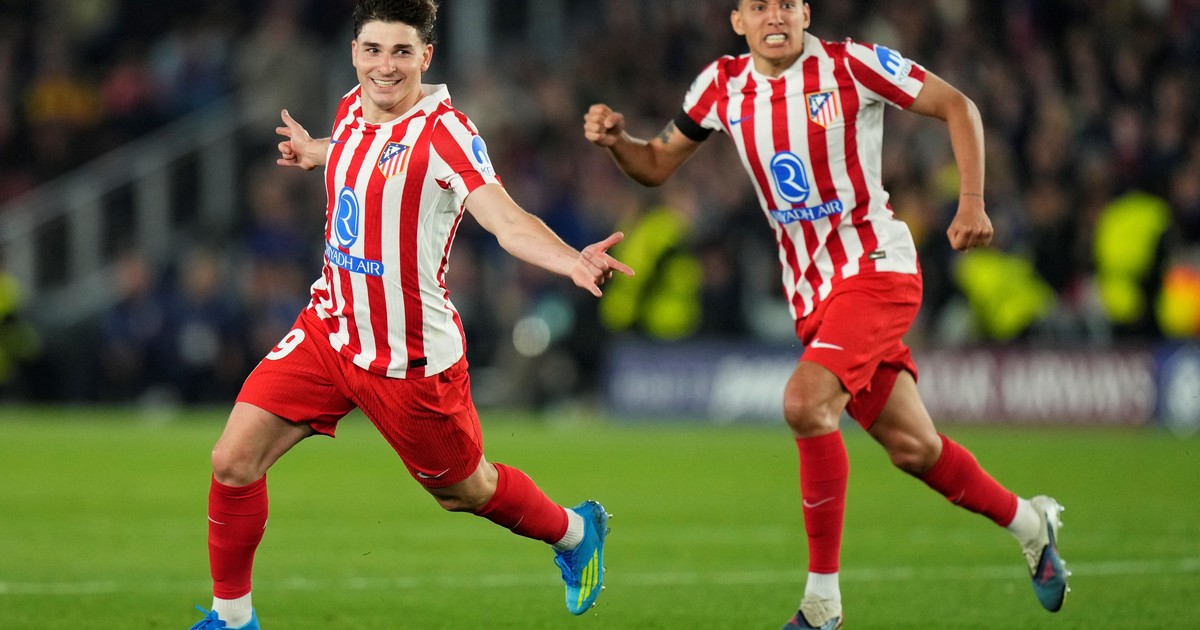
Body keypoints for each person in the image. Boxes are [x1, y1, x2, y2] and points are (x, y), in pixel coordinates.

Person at [583, 2, 1068, 628]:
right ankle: (1032, 524)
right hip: (812, 295)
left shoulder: (851, 65)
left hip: (877, 268)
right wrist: (619, 144)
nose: (775, 16)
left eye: (787, 4)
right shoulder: (720, 86)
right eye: (759, 6)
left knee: (804, 403)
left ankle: (821, 606)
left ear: (805, 12)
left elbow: (958, 105)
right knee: (914, 448)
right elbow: (655, 164)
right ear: (738, 21)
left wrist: (971, 201)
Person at [188, 1, 632, 627]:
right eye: (373, 50)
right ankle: (233, 619)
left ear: (426, 56)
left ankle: (574, 531)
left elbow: (504, 218)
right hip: (330, 329)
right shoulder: (350, 108)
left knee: (466, 490)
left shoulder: (446, 133)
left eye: (401, 52)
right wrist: (318, 151)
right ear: (354, 53)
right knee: (232, 461)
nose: (386, 66)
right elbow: (360, 149)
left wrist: (570, 260)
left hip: (409, 359)